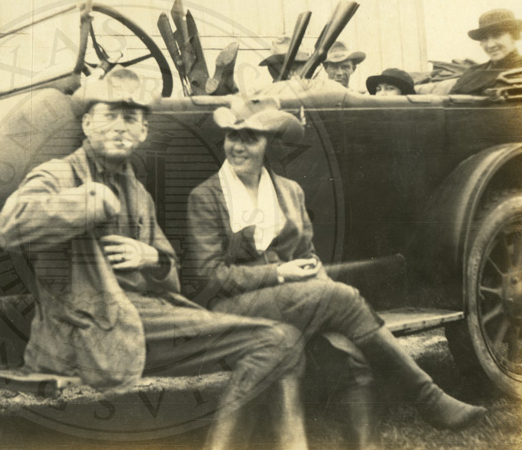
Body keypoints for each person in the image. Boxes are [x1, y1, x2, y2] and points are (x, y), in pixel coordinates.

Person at [0, 68, 308, 450]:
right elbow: (10, 227)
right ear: (87, 124)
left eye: (131, 119)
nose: (120, 127)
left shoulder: (136, 191)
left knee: (281, 345)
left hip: (141, 320)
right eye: (109, 115)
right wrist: (88, 201)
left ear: (143, 131)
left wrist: (151, 258)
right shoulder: (59, 174)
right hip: (90, 328)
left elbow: (171, 273)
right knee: (278, 342)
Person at [184, 99, 487, 435]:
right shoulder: (207, 196)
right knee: (342, 297)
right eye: (232, 136)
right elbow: (210, 277)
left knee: (350, 354)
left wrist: (320, 290)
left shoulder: (289, 192)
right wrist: (281, 273)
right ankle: (427, 397)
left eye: (249, 138)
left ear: (268, 144)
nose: (238, 147)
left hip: (292, 301)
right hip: (232, 306)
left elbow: (308, 257)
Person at [451, 8, 522, 95]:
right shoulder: (472, 72)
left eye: (497, 35)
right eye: (484, 38)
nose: (490, 45)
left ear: (514, 36)